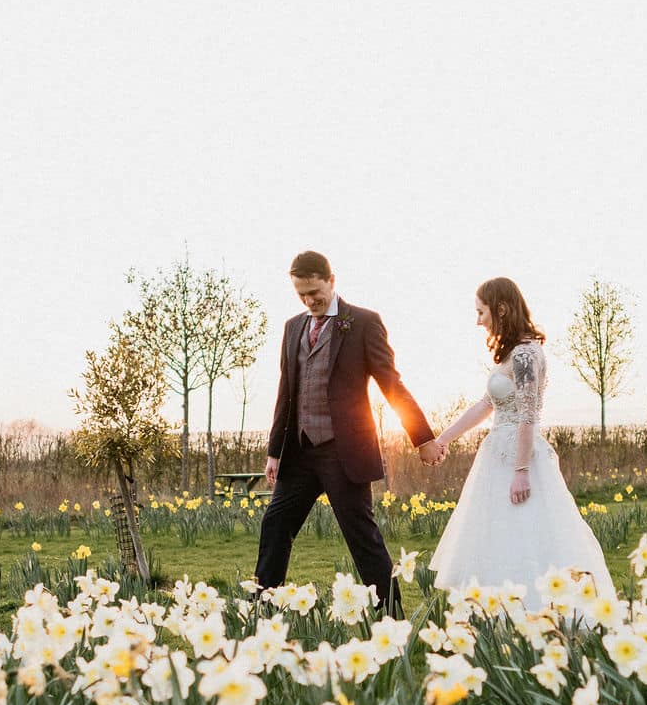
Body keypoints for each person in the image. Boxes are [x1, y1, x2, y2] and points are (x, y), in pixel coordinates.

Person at [255, 250, 440, 613]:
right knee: (275, 523)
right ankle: (261, 606)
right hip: (300, 451)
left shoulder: (363, 323)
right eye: (302, 295)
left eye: (315, 293)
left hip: (345, 453)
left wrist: (423, 437)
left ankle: (390, 614)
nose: (310, 301)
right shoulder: (293, 328)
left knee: (361, 536)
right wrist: (275, 450)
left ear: (331, 281)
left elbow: (391, 383)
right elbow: (286, 392)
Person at [421, 278, 616, 602]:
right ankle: (499, 614)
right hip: (497, 457)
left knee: (527, 536)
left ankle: (537, 609)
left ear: (500, 309)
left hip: (518, 459)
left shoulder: (526, 356)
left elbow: (527, 415)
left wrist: (522, 470)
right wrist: (442, 440)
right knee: (496, 538)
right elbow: (486, 404)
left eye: (481, 311)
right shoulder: (511, 355)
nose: (478, 320)